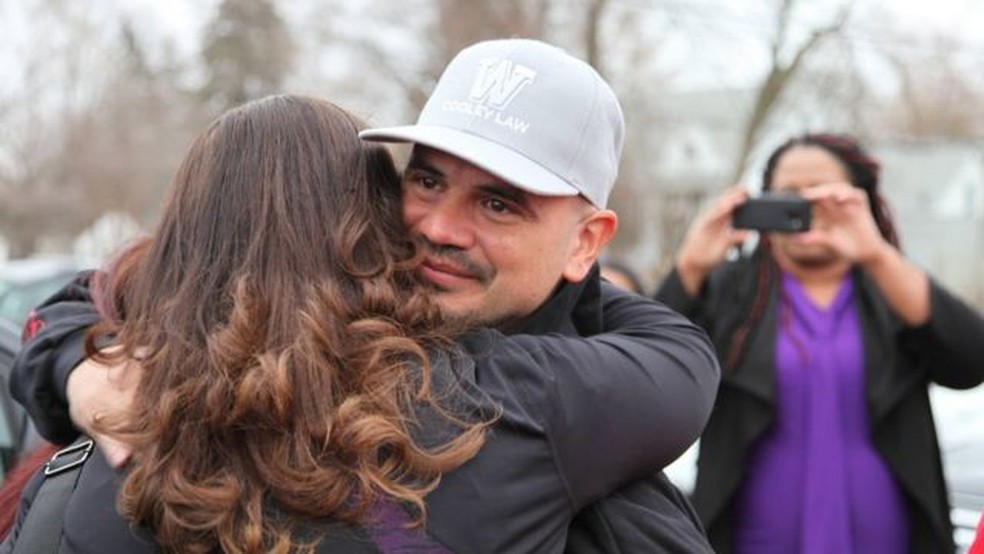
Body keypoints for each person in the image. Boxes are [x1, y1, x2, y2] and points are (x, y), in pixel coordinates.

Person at [8, 40, 719, 552]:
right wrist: (78, 355)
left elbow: (682, 359)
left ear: (588, 242)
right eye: (427, 180)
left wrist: (81, 357)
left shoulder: (539, 405)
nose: (438, 228)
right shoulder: (540, 411)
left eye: (500, 205)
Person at [655, 132, 984, 553]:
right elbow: (646, 379)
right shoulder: (733, 292)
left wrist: (877, 254)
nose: (806, 206)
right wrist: (690, 266)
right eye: (788, 195)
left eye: (823, 193)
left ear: (860, 201)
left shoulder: (891, 288)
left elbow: (971, 361)